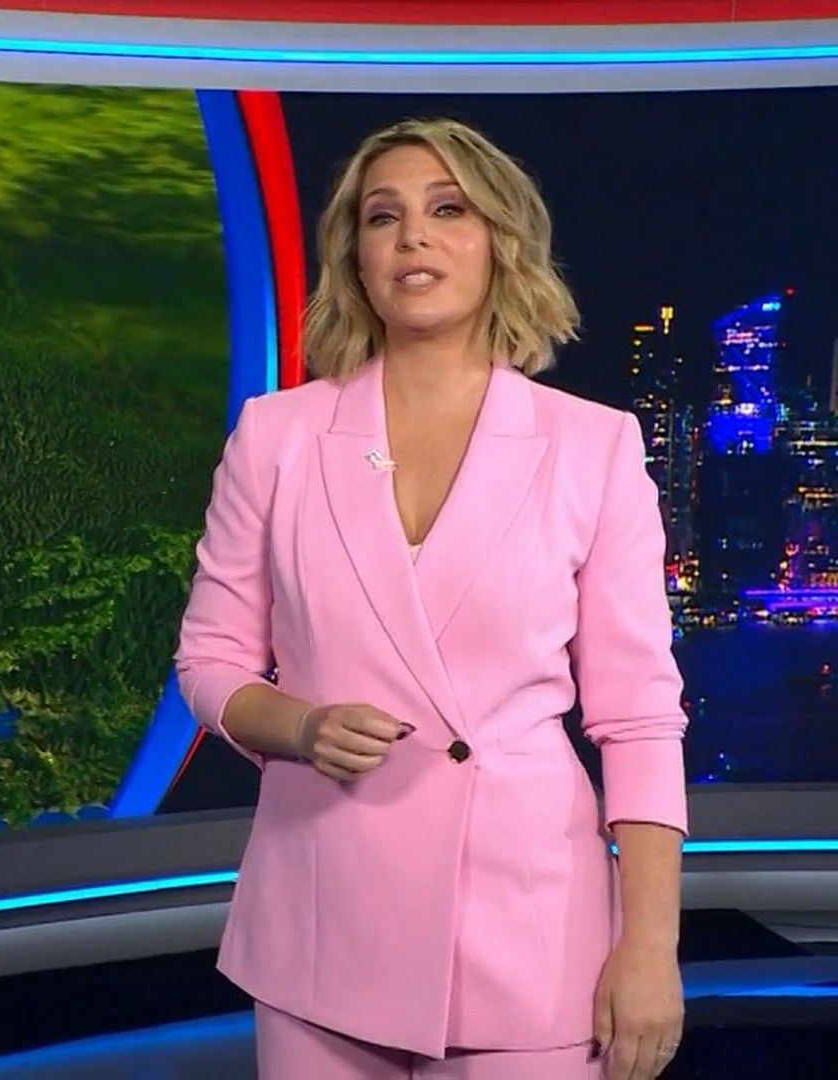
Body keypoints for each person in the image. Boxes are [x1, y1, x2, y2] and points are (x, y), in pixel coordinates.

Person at [173, 117, 688, 1079]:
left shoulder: (593, 446)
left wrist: (650, 946)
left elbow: (640, 719)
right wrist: (300, 726)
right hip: (323, 923)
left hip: (528, 926)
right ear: (357, 259)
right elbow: (209, 662)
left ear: (500, 241)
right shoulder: (277, 437)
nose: (413, 235)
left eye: (448, 210)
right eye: (384, 216)